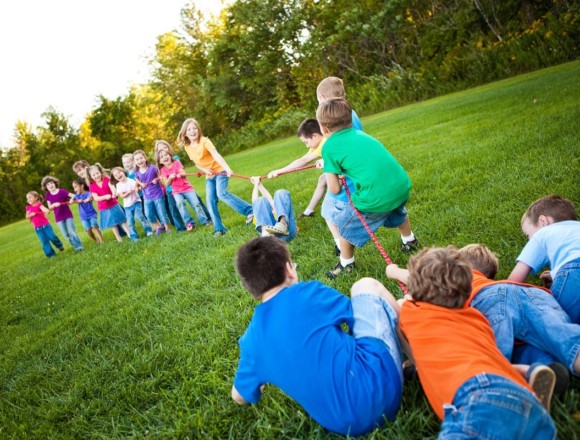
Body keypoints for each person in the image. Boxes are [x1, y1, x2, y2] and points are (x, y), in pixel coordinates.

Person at [231, 236, 403, 436]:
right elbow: (356, 312)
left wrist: (259, 382)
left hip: (344, 427)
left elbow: (238, 396)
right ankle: (416, 354)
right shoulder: (309, 293)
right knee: (365, 287)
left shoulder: (250, 342)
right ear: (289, 270)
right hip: (383, 390)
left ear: (249, 287)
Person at [390, 246, 556, 438]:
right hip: (522, 395)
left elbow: (398, 308)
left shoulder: (413, 311)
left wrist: (402, 291)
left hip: (476, 395)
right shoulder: (477, 318)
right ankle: (526, 376)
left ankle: (527, 374)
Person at [388, 243, 579, 394]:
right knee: (562, 336)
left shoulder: (459, 276)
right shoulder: (492, 280)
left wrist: (394, 271)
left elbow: (422, 277)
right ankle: (545, 367)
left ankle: (504, 387)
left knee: (490, 356)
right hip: (535, 295)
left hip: (489, 300)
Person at [318, 98, 418, 278]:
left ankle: (346, 264)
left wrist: (331, 171)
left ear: (324, 128)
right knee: (395, 210)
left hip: (375, 198)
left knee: (345, 228)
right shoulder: (360, 134)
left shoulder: (329, 147)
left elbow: (334, 189)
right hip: (401, 187)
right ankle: (409, 240)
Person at [508, 195, 580, 323]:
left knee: (556, 328)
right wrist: (555, 275)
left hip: (574, 274)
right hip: (573, 270)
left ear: (543, 221)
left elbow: (514, 281)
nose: (529, 240)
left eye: (528, 235)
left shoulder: (543, 233)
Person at [177, 118, 253, 237]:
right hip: (209, 175)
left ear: (198, 129)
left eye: (194, 128)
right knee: (210, 200)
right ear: (185, 133)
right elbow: (196, 163)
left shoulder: (204, 141)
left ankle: (250, 211)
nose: (192, 131)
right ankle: (219, 228)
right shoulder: (187, 147)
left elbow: (216, 155)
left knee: (221, 194)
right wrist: (204, 169)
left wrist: (227, 168)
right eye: (189, 129)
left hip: (220, 171)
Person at [155, 140, 211, 231]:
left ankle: (205, 221)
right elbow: (166, 183)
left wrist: (180, 174)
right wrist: (170, 178)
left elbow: (183, 173)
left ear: (170, 155)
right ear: (160, 161)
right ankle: (189, 223)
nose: (165, 157)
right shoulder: (163, 170)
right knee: (180, 205)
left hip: (187, 188)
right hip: (176, 191)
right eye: (162, 157)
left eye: (166, 155)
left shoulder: (177, 163)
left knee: (196, 204)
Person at [85, 163, 130, 242]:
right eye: (93, 175)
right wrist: (105, 197)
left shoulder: (107, 179)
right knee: (112, 224)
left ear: (101, 172)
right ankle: (118, 238)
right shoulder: (92, 185)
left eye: (97, 173)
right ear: (90, 176)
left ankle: (129, 234)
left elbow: (112, 188)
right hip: (104, 207)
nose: (96, 176)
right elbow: (96, 198)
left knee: (122, 220)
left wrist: (113, 193)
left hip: (113, 204)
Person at [133, 150, 171, 235]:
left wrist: (156, 179)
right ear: (135, 162)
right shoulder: (136, 171)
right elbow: (136, 179)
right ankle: (159, 226)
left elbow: (160, 176)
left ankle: (167, 228)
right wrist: (140, 184)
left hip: (157, 194)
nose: (140, 161)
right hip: (147, 196)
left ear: (145, 158)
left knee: (162, 212)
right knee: (148, 214)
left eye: (141, 158)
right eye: (137, 159)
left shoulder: (153, 168)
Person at [41, 175, 84, 251]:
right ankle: (75, 244)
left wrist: (71, 199)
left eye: (51, 183)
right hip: (58, 218)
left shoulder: (62, 191)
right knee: (66, 235)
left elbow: (73, 195)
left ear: (55, 183)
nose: (50, 185)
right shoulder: (48, 195)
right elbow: (50, 207)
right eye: (48, 185)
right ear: (46, 187)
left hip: (67, 215)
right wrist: (54, 205)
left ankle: (79, 247)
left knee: (72, 232)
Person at [248, 176, 296, 241]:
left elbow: (269, 199)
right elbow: (255, 202)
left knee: (280, 193)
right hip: (270, 237)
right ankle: (266, 233)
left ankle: (282, 224)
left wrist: (259, 184)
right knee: (259, 200)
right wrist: (256, 184)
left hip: (287, 232)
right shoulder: (261, 215)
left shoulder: (278, 209)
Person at [111, 167, 152, 240]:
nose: (118, 175)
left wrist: (137, 189)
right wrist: (128, 192)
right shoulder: (118, 185)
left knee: (140, 217)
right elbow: (122, 196)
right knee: (130, 222)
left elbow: (136, 189)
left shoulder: (131, 181)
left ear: (123, 172)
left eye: (119, 173)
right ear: (115, 178)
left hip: (136, 202)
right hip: (127, 206)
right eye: (115, 175)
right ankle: (134, 236)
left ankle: (148, 230)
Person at [25, 191, 64, 257]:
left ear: (36, 197)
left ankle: (59, 245)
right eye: (27, 198)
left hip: (46, 226)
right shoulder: (28, 208)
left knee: (52, 237)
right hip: (37, 228)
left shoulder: (39, 204)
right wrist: (31, 214)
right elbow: (27, 216)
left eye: (30, 197)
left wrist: (47, 210)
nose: (28, 199)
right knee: (44, 241)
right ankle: (51, 255)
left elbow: (44, 209)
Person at [70, 178, 103, 244]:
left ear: (81, 186)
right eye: (74, 188)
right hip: (83, 216)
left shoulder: (88, 193)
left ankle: (101, 240)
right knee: (88, 230)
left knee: (95, 226)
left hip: (92, 214)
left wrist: (88, 199)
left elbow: (91, 197)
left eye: (76, 187)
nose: (75, 189)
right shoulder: (77, 196)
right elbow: (73, 199)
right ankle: (96, 240)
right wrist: (73, 200)